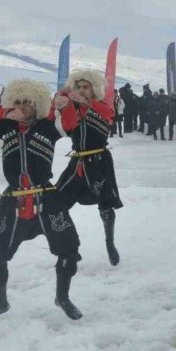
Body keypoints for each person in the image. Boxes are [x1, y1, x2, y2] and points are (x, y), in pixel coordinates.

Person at [0, 79, 84, 322]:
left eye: (28, 103)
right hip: (13, 201)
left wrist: (66, 104)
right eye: (18, 102)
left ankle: (62, 298)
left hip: (46, 197)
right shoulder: (4, 126)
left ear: (38, 105)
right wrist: (5, 113)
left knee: (69, 248)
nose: (22, 107)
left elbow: (71, 123)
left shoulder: (48, 127)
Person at [55, 69, 124, 266]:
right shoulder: (73, 108)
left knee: (106, 204)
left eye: (86, 87)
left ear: (94, 89)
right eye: (79, 87)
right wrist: (62, 97)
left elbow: (109, 114)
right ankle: (71, 246)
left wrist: (87, 102)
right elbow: (66, 126)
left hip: (99, 161)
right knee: (58, 204)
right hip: (77, 161)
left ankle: (109, 243)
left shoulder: (101, 106)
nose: (82, 90)